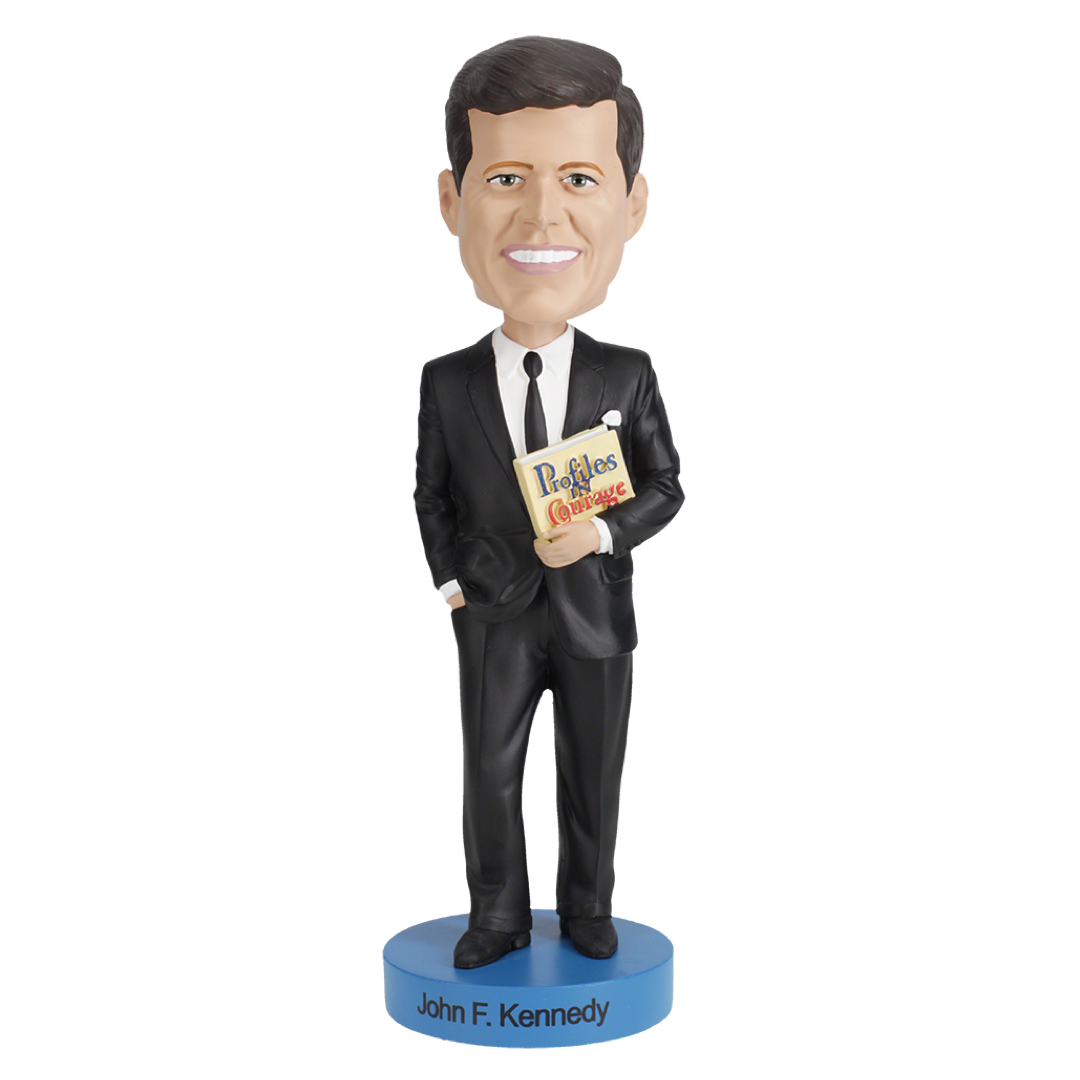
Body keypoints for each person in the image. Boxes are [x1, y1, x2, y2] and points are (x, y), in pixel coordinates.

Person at [414, 36, 683, 969]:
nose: (541, 213)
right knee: (488, 773)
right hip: (490, 612)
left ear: (631, 203)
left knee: (592, 773)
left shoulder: (627, 373)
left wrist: (602, 531)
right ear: (453, 200)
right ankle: (495, 917)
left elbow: (666, 485)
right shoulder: (446, 380)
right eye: (504, 180)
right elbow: (431, 491)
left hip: (594, 613)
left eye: (578, 178)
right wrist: (452, 583)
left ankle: (589, 908)